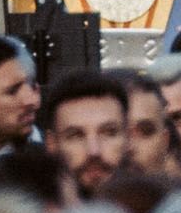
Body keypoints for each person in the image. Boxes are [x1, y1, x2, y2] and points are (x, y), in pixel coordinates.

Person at [40, 73, 131, 201]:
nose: (94, 151)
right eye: (76, 136)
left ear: (128, 138)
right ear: (51, 144)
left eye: (109, 133)